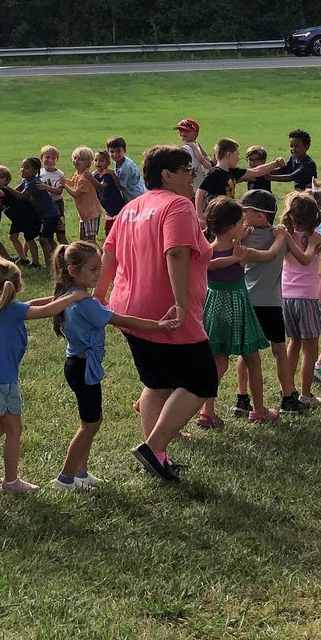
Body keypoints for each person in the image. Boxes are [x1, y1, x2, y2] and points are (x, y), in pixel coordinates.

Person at [93, 145, 212, 483]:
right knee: (201, 379)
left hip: (127, 309)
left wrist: (100, 295)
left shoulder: (132, 207)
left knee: (157, 382)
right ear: (167, 175)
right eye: (187, 169)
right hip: (166, 311)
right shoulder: (177, 205)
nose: (192, 175)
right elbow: (176, 254)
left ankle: (158, 457)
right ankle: (153, 446)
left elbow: (110, 251)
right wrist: (180, 302)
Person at [50, 241, 177, 490]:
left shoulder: (69, 295)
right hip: (83, 369)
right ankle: (65, 478)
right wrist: (159, 325)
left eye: (100, 267)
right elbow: (123, 320)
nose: (99, 274)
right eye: (93, 269)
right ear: (73, 271)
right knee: (90, 425)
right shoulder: (85, 303)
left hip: (77, 366)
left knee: (89, 423)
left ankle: (81, 473)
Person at [0, 259, 82, 494]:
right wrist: (72, 297)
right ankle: (11, 482)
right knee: (14, 431)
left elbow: (34, 304)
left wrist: (58, 297)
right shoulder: (13, 310)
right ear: (18, 286)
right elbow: (45, 311)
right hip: (2, 381)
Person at [201, 195, 275, 421]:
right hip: (237, 306)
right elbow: (269, 255)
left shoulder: (207, 249)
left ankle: (207, 411)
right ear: (231, 227)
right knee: (252, 360)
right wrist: (235, 257)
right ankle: (259, 410)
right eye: (241, 223)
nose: (246, 226)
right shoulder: (240, 252)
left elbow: (207, 264)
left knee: (218, 361)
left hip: (213, 307)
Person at [237, 190, 295, 412]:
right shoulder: (279, 236)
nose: (242, 215)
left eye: (246, 211)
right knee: (279, 349)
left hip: (248, 302)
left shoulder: (241, 236)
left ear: (261, 216)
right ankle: (288, 396)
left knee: (247, 351)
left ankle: (241, 398)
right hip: (269, 303)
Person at [280, 192, 321, 400]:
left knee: (294, 343)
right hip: (307, 299)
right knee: (310, 349)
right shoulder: (315, 238)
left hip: (286, 297)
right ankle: (305, 393)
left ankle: (288, 390)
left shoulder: (285, 235)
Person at [67, 147, 104, 243]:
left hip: (91, 213)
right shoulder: (78, 174)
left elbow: (75, 194)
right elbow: (71, 183)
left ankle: (98, 256)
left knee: (91, 240)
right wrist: (61, 179)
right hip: (84, 214)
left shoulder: (85, 178)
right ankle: (86, 257)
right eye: (75, 158)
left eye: (80, 159)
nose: (76, 161)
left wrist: (63, 185)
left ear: (88, 163)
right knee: (82, 239)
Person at [106, 136, 145, 201]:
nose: (115, 154)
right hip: (130, 197)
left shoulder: (126, 167)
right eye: (112, 152)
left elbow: (120, 187)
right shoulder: (118, 161)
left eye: (118, 151)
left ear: (124, 151)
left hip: (136, 198)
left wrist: (112, 173)